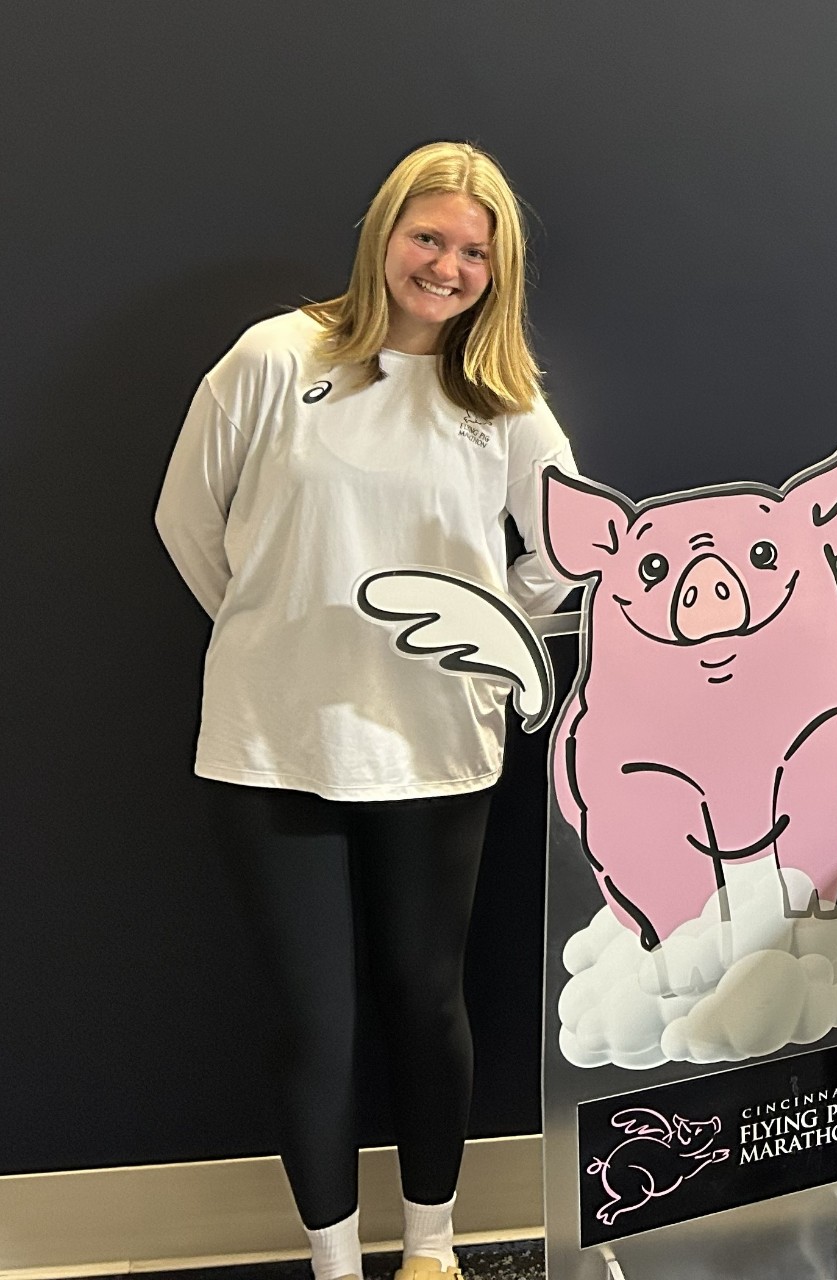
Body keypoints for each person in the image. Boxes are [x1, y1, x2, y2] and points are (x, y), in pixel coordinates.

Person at [155, 141, 575, 1280]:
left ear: (498, 270)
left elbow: (565, 552)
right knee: (315, 1021)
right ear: (384, 234)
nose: (446, 266)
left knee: (427, 1003)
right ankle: (335, 1265)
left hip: (434, 747)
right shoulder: (273, 357)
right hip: (270, 744)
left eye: (473, 252)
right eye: (427, 237)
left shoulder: (502, 402)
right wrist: (276, 629)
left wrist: (486, 648)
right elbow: (187, 520)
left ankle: (431, 1249)